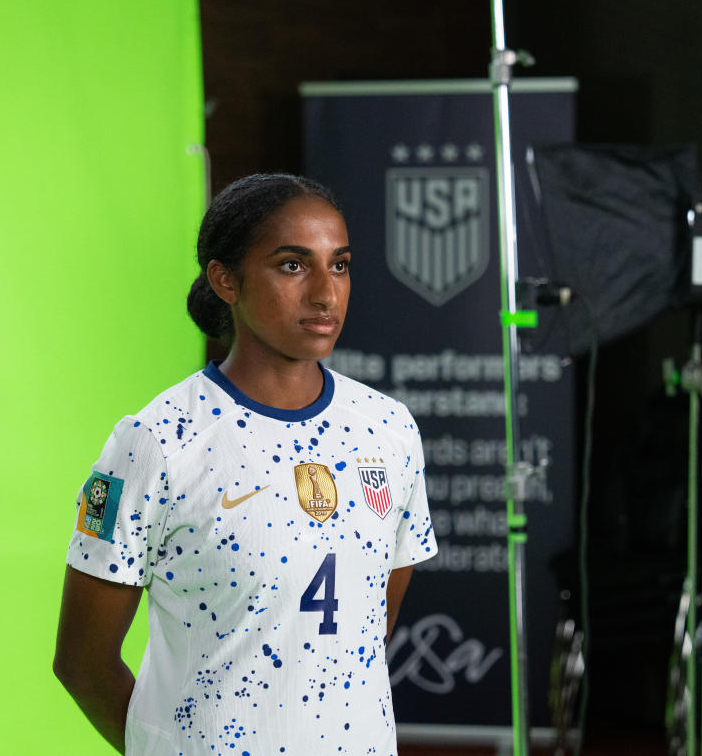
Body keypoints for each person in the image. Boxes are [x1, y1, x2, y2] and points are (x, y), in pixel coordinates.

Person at [53, 173, 438, 756]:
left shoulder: (388, 428)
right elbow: (82, 663)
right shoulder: (156, 441)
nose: (325, 293)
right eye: (292, 265)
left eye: (339, 265)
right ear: (225, 280)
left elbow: (368, 628)